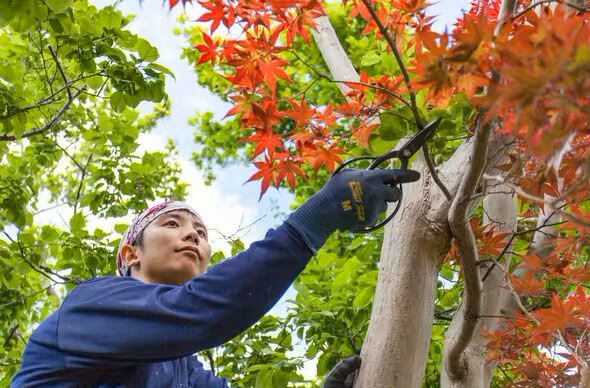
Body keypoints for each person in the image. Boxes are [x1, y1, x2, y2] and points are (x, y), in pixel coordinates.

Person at [11, 167, 420, 387]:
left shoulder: (184, 371)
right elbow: (201, 310)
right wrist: (315, 218)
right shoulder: (90, 305)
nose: (192, 233)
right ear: (129, 253)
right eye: (171, 223)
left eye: (201, 232)